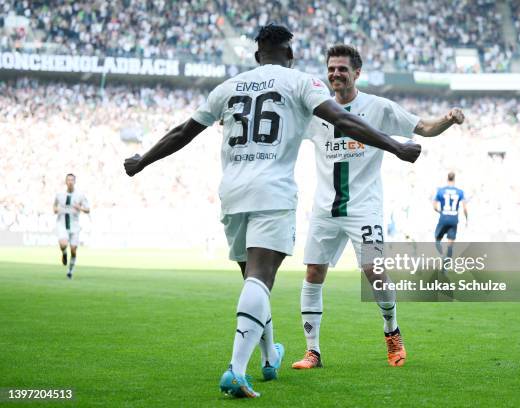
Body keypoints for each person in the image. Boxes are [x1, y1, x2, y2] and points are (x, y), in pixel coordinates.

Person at [123, 25, 421, 398]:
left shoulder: (228, 87)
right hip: (273, 193)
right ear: (290, 56)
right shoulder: (300, 82)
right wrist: (395, 147)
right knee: (260, 282)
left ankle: (270, 357)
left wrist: (142, 160)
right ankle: (237, 369)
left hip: (232, 192)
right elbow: (343, 121)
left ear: (255, 56)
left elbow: (182, 132)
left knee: (255, 283)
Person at [292, 44, 463, 370]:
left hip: (364, 207)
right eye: (331, 68)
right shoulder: (315, 110)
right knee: (314, 272)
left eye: (342, 69)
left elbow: (424, 127)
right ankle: (312, 351)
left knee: (375, 272)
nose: (335, 74)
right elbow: (282, 129)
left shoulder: (377, 107)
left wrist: (448, 119)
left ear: (357, 73)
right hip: (325, 209)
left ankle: (392, 332)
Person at [53, 173, 90, 279]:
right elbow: (54, 207)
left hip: (74, 225)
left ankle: (70, 271)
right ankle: (64, 253)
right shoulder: (59, 195)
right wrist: (56, 210)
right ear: (65, 182)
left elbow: (88, 210)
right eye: (68, 180)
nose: (70, 182)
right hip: (62, 224)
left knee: (73, 250)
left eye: (72, 180)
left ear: (75, 181)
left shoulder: (80, 195)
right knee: (64, 245)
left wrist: (80, 208)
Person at [433, 172, 468, 263]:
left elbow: (435, 206)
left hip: (444, 217)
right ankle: (445, 266)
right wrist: (467, 218)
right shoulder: (460, 192)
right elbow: (465, 208)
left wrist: (440, 211)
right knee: (450, 245)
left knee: (437, 239)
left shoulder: (441, 191)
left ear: (447, 178)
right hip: (454, 219)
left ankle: (440, 255)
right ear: (454, 179)